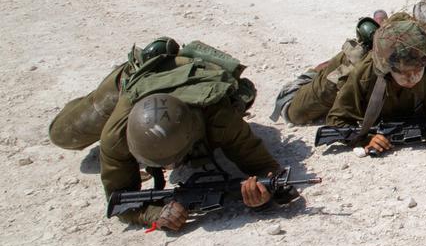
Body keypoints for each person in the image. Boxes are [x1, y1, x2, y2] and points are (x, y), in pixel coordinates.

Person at [48, 38, 283, 232]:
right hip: (136, 81)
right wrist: (155, 214)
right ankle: (119, 78)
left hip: (190, 76)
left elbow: (267, 168)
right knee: (62, 135)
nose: (168, 168)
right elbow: (119, 200)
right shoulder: (116, 137)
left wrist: (263, 195)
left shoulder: (218, 117)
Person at [299, 14, 426, 166]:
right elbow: (337, 119)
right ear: (386, 69)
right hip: (342, 74)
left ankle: (383, 23)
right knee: (295, 112)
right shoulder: (364, 73)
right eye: (403, 72)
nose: (412, 78)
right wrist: (365, 138)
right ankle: (317, 72)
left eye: (417, 70)